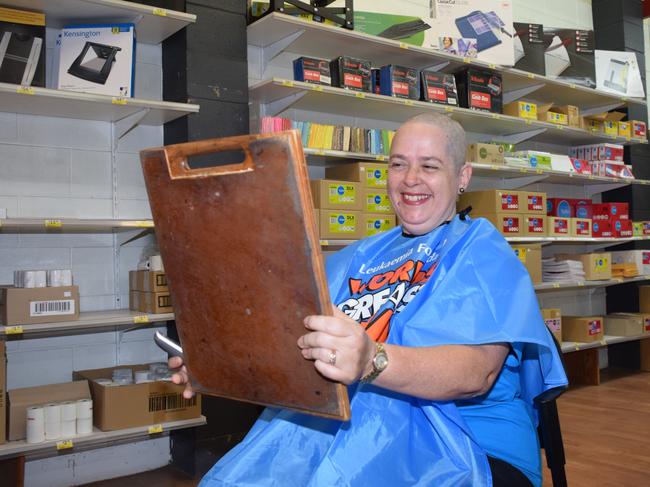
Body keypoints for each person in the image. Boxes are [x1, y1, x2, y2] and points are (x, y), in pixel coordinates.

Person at [169, 113, 568, 486]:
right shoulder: (356, 256)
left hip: (469, 444)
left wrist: (370, 360)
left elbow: (474, 374)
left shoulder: (482, 250)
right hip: (360, 428)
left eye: (429, 166)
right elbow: (296, 346)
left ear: (462, 176)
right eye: (398, 164)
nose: (411, 179)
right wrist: (219, 360)